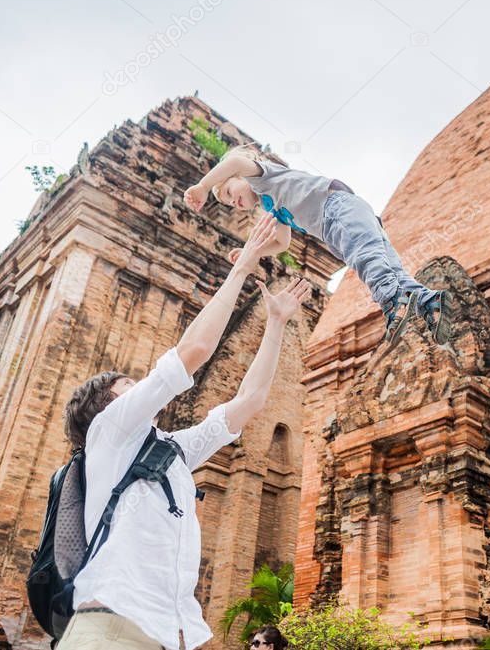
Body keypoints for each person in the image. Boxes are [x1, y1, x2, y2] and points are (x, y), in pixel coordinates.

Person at [56, 214, 312, 650]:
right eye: (128, 387)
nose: (139, 390)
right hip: (108, 624)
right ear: (108, 404)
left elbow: (247, 404)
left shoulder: (170, 452)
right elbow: (193, 351)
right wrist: (243, 265)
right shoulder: (109, 431)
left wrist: (276, 324)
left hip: (165, 631)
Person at [183, 147, 449, 347]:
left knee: (367, 258)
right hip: (339, 221)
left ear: (239, 175)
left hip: (335, 209)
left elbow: (235, 161)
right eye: (229, 203)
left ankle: (392, 301)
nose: (233, 202)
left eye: (229, 191)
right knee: (389, 266)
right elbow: (282, 242)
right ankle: (430, 303)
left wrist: (204, 186)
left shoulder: (260, 176)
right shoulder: (270, 204)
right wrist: (252, 252)